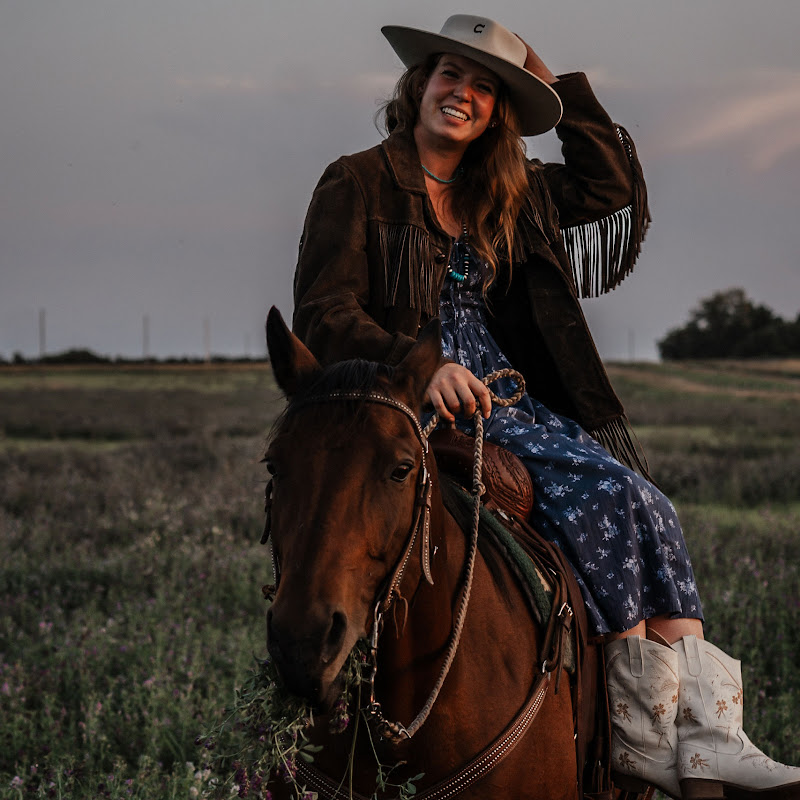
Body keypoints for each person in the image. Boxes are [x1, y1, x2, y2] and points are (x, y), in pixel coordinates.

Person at [290, 14, 800, 800]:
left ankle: (707, 734)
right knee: (609, 492)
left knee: (652, 507)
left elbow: (610, 187)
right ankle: (641, 728)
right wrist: (419, 367)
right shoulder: (356, 180)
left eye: (486, 89)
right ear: (418, 85)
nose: (462, 94)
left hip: (509, 398)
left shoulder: (509, 191)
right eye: (450, 75)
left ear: (498, 114)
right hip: (407, 402)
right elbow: (324, 311)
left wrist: (551, 81)